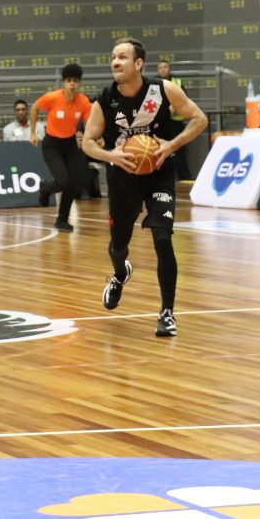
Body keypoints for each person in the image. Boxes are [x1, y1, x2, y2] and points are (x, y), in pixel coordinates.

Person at [82, 39, 207, 338]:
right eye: (113, 57)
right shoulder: (104, 99)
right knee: (118, 246)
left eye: (122, 57)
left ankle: (167, 313)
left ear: (138, 64)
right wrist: (110, 156)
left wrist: (172, 144)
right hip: (123, 175)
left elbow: (199, 119)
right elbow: (87, 142)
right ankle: (120, 273)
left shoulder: (163, 90)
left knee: (163, 239)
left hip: (159, 171)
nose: (115, 62)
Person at [32, 63, 92, 231]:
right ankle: (45, 189)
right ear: (64, 82)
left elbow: (90, 123)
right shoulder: (52, 97)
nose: (72, 84)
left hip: (70, 145)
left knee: (74, 184)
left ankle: (62, 220)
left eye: (75, 81)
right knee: (63, 181)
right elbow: (35, 108)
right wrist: (33, 133)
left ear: (79, 84)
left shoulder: (83, 102)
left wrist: (94, 137)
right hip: (52, 145)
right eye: (69, 80)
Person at [157, 59, 193, 179]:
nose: (163, 70)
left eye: (165, 67)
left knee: (179, 150)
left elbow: (184, 101)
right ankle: (161, 178)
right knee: (160, 150)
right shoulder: (154, 84)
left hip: (176, 122)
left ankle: (184, 177)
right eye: (160, 68)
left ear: (169, 69)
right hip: (161, 123)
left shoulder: (177, 82)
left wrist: (174, 108)